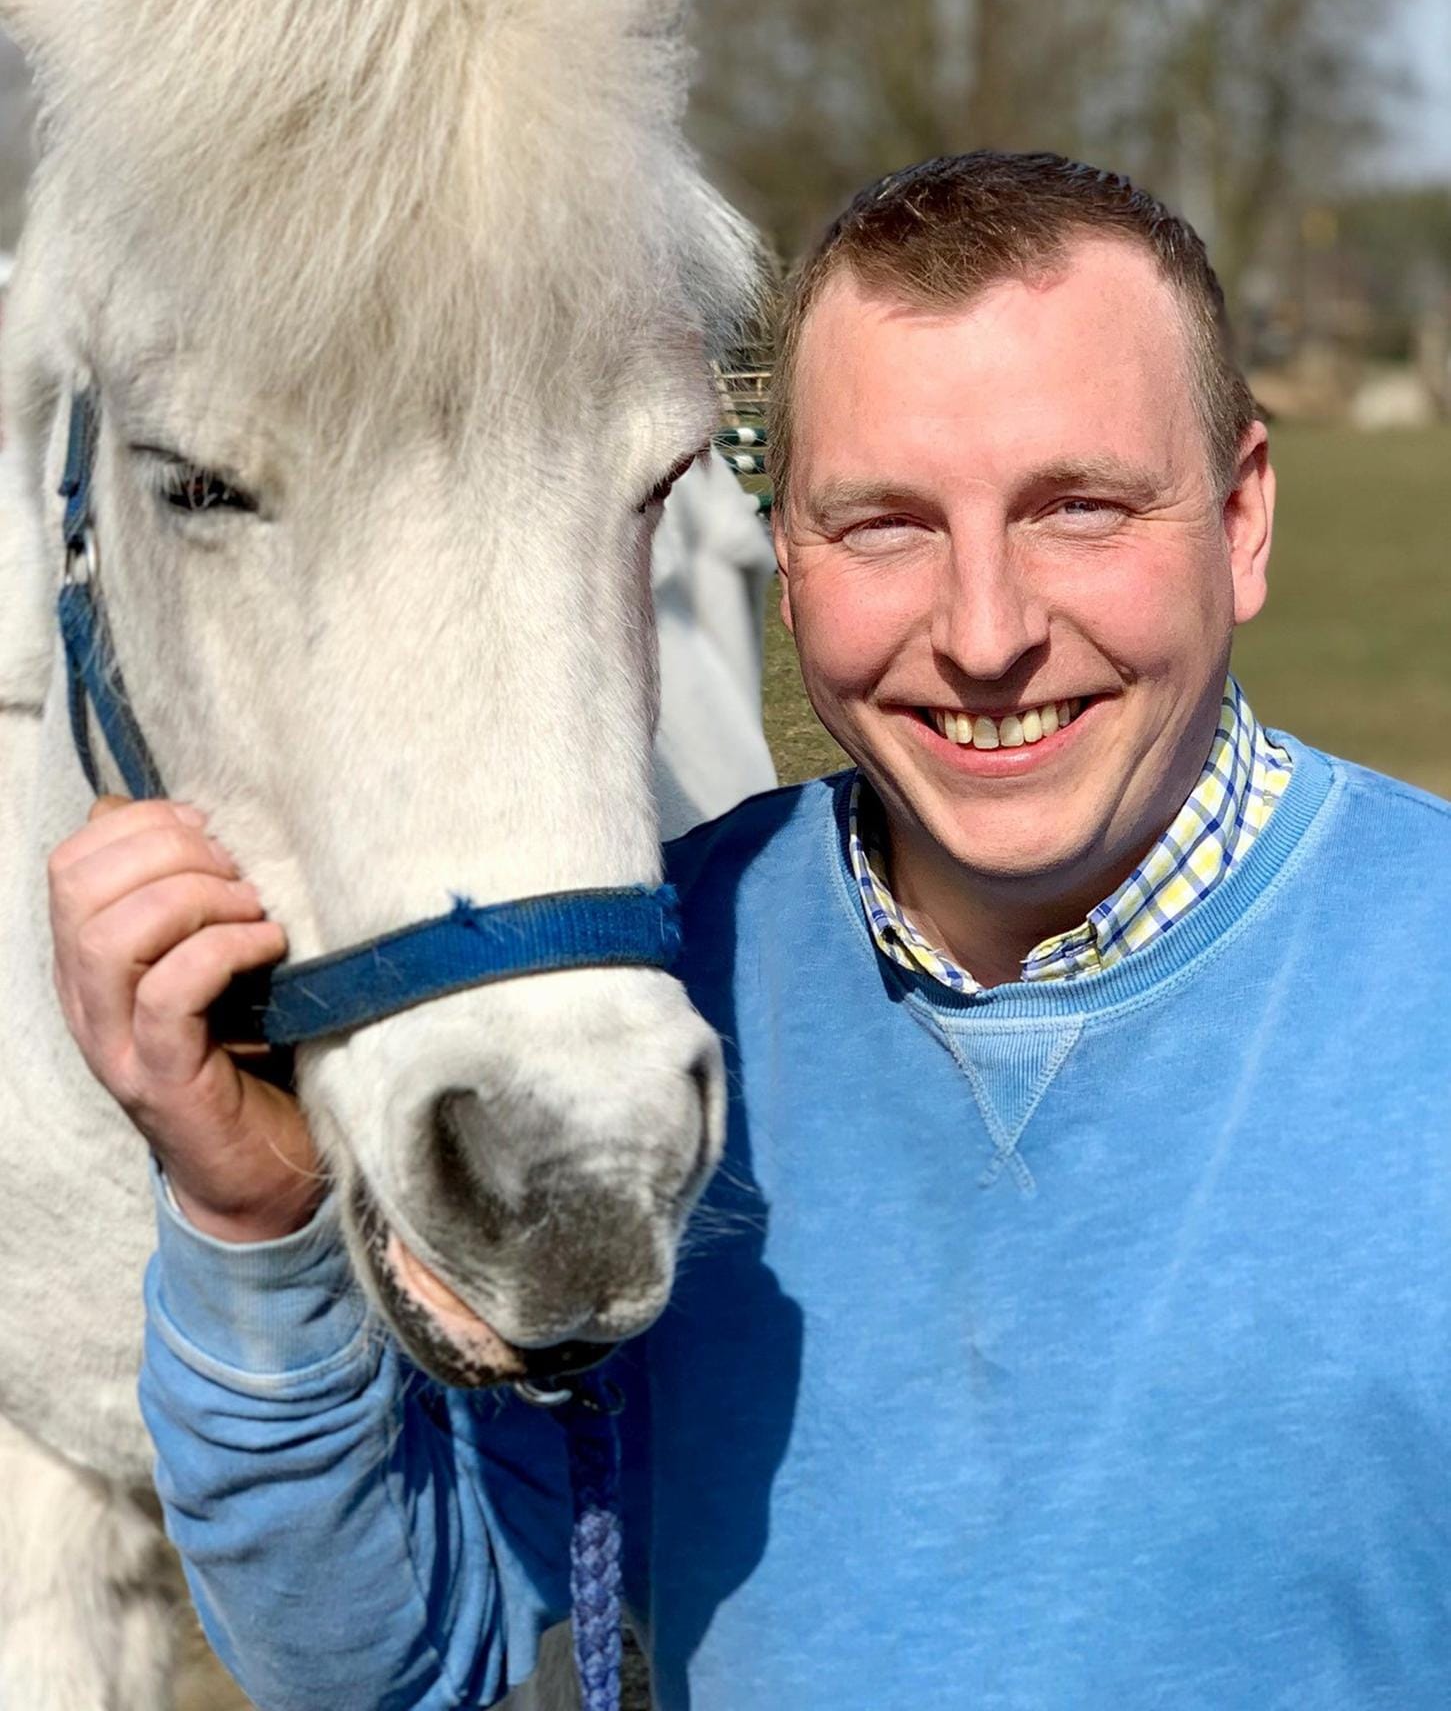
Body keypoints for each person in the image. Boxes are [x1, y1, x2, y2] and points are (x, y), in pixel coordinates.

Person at [48, 151, 1451, 1709]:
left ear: (1243, 517)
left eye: (1078, 507)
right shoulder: (646, 999)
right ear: (780, 559)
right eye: (883, 526)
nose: (985, 633)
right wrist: (251, 1227)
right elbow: (386, 1658)